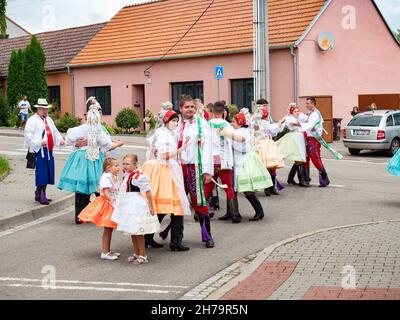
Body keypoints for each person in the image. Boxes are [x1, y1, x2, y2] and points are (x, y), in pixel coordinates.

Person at [58, 97, 124, 224]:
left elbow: (69, 139)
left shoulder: (83, 128)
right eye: (98, 112)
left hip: (81, 159)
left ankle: (80, 215)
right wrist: (119, 143)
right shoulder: (98, 129)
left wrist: (75, 144)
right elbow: (108, 145)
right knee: (100, 186)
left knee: (83, 188)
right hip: (93, 160)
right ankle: (105, 213)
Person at [141, 109, 192, 251]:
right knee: (175, 206)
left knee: (163, 206)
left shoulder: (163, 133)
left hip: (162, 170)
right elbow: (164, 155)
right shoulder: (164, 136)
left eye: (176, 120)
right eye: (173, 121)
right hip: (166, 171)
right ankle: (175, 241)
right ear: (166, 121)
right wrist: (181, 149)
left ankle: (149, 237)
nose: (175, 123)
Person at [219, 109, 273, 221]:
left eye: (233, 122)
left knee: (246, 189)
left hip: (243, 162)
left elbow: (241, 143)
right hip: (237, 161)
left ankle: (259, 211)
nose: (232, 124)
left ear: (238, 122)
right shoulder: (240, 131)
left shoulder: (242, 132)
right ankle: (231, 212)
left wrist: (228, 134)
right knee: (232, 187)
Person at [177, 95, 215, 248]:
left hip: (195, 167)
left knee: (200, 203)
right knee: (177, 202)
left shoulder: (202, 124)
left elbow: (207, 148)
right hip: (178, 168)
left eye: (192, 107)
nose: (190, 109)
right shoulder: (175, 123)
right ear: (181, 108)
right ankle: (176, 239)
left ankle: (207, 237)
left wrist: (207, 171)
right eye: (186, 107)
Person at [111, 155, 160, 265]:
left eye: (128, 164)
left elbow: (148, 191)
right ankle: (137, 253)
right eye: (123, 163)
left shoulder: (138, 176)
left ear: (135, 165)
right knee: (132, 231)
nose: (125, 166)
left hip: (136, 206)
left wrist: (151, 207)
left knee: (138, 232)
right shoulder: (127, 175)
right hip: (128, 205)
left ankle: (143, 255)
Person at [78, 157, 121, 261]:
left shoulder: (112, 176)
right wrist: (114, 202)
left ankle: (107, 250)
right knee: (108, 228)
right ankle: (105, 252)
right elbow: (106, 193)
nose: (118, 168)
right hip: (108, 204)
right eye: (116, 166)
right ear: (108, 168)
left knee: (109, 229)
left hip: (112, 202)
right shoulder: (106, 177)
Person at [25, 98, 65, 205]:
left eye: (46, 109)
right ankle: (41, 195)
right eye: (43, 109)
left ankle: (39, 193)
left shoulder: (49, 120)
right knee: (41, 173)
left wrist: (60, 140)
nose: (45, 111)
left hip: (49, 150)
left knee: (48, 173)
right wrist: (39, 142)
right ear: (39, 109)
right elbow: (28, 134)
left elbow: (55, 132)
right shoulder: (32, 120)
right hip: (39, 151)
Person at [206, 101, 240, 224]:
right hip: (225, 159)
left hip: (211, 160)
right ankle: (234, 214)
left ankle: (201, 213)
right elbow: (234, 142)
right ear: (223, 112)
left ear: (212, 112)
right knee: (228, 187)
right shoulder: (228, 125)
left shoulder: (207, 125)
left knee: (208, 188)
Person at [252, 99, 285, 197]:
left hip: (268, 142)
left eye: (266, 106)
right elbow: (270, 128)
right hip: (261, 144)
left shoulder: (265, 118)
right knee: (266, 166)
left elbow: (272, 131)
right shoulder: (257, 119)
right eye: (264, 106)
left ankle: (271, 187)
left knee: (272, 166)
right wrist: (279, 123)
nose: (265, 108)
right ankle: (267, 187)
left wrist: (278, 126)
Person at [298, 97, 330, 187]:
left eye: (307, 103)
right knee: (307, 158)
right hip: (309, 138)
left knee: (315, 158)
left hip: (314, 139)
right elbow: (307, 120)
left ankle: (325, 178)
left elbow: (310, 124)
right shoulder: (312, 113)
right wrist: (298, 114)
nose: (306, 105)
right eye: (306, 103)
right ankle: (306, 179)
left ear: (312, 104)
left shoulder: (315, 114)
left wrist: (299, 125)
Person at [280, 104, 309, 187]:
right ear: (291, 112)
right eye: (295, 111)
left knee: (299, 159)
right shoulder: (290, 118)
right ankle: (301, 180)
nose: (297, 113)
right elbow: (294, 123)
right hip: (294, 139)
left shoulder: (296, 118)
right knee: (299, 159)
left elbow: (304, 120)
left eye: (298, 111)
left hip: (299, 138)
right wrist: (305, 124)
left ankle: (290, 178)